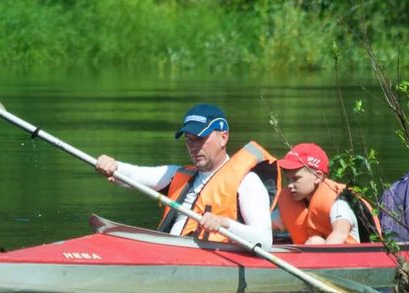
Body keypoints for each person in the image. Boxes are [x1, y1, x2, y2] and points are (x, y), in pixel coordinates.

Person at [94, 103, 276, 247]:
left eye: (200, 139)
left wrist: (224, 223)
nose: (194, 147)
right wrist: (114, 165)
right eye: (189, 140)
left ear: (224, 137)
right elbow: (133, 175)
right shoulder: (179, 175)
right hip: (172, 253)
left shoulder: (248, 183)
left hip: (214, 260)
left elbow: (265, 240)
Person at [272, 143, 375, 245]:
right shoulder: (291, 201)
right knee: (315, 241)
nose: (289, 185)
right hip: (311, 256)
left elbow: (340, 233)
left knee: (315, 241)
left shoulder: (338, 202)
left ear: (317, 177)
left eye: (296, 179)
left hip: (352, 258)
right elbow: (264, 224)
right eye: (287, 179)